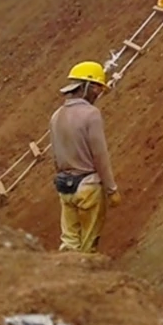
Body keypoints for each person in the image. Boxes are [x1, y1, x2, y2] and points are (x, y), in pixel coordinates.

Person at [49, 61, 120, 253]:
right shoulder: (91, 114)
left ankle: (67, 276)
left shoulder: (56, 116)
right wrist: (112, 190)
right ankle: (85, 279)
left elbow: (55, 156)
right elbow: (100, 155)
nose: (98, 93)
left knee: (69, 243)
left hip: (65, 187)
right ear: (86, 86)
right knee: (88, 245)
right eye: (97, 87)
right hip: (88, 186)